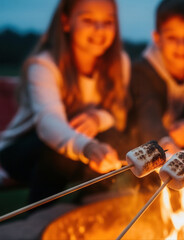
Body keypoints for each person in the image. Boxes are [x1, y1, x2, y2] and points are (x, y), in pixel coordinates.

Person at [0, 0, 130, 203]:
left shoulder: (119, 62)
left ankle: (89, 211)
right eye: (88, 20)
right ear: (66, 22)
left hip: (77, 152)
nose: (99, 29)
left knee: (115, 140)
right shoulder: (45, 65)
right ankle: (38, 219)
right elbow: (49, 123)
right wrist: (86, 147)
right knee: (61, 152)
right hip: (22, 152)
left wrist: (97, 118)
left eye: (108, 22)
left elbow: (119, 116)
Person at [129, 0, 184, 155]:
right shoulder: (143, 70)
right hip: (152, 141)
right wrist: (164, 143)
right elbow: (147, 114)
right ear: (157, 38)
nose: (181, 46)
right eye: (172, 38)